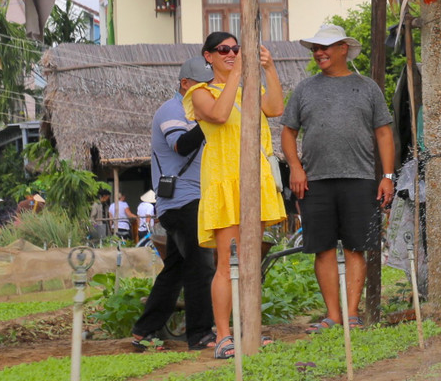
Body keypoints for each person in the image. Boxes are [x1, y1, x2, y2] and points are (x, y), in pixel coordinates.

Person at [281, 24, 395, 333]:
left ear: (343, 48)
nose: (319, 52)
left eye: (325, 47)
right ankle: (333, 316)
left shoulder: (368, 87)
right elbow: (288, 132)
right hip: (314, 180)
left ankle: (352, 314)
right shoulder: (304, 89)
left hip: (360, 178)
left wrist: (387, 176)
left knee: (357, 248)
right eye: (315, 48)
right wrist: (295, 166)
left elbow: (384, 133)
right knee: (323, 248)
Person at [186, 31, 287, 358]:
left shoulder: (249, 89)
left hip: (253, 183)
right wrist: (239, 74)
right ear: (208, 56)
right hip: (224, 182)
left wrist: (268, 69)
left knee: (248, 262)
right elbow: (218, 113)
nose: (231, 53)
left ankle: (250, 331)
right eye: (223, 49)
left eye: (236, 49)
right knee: (226, 262)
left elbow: (275, 107)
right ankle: (224, 336)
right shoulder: (199, 92)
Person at [129, 57, 218, 352]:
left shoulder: (195, 111)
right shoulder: (173, 109)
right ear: (185, 85)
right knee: (201, 265)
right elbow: (180, 145)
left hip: (195, 198)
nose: (207, 92)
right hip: (181, 201)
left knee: (177, 269)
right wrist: (209, 119)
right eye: (202, 87)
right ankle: (201, 334)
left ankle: (144, 331)